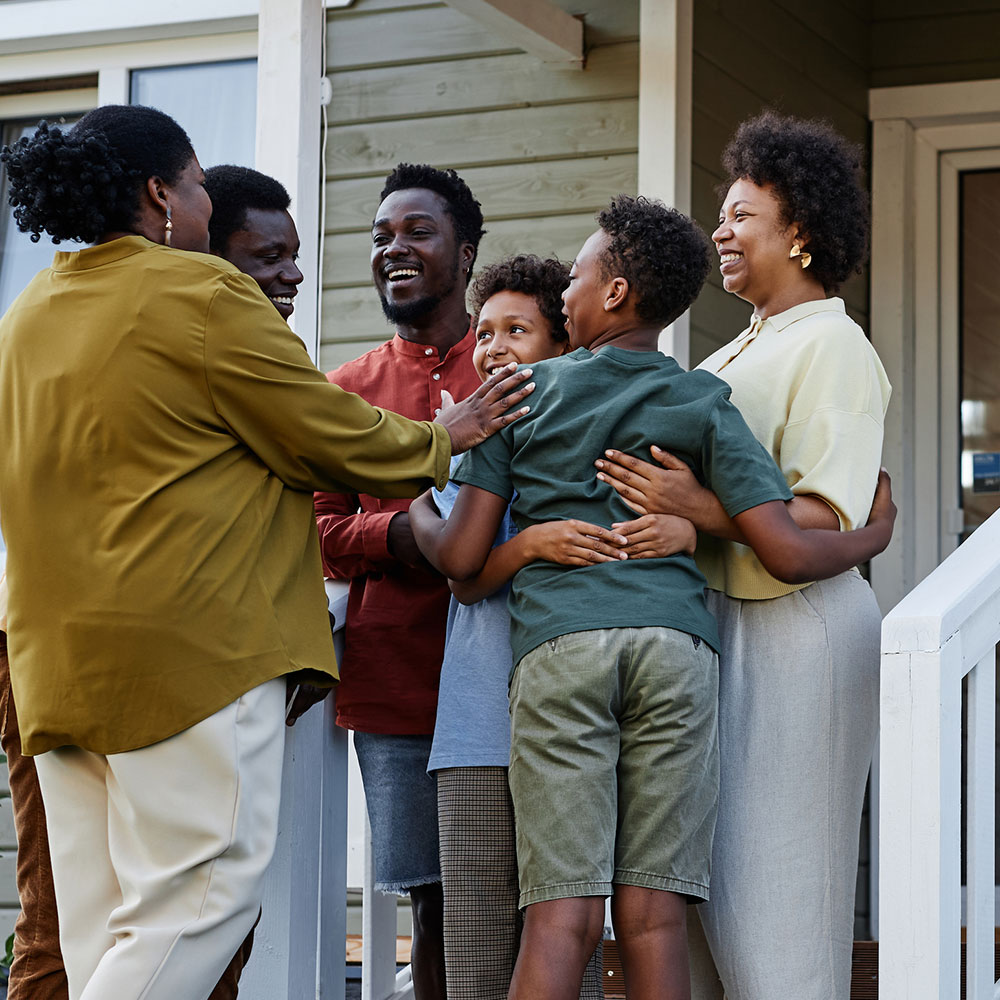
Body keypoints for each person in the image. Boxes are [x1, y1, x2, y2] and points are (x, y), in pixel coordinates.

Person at [0, 107, 531, 1000]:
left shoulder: (28, 313)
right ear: (159, 194)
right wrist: (447, 435)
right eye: (199, 186)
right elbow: (325, 432)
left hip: (51, 667)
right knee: (199, 903)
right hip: (189, 657)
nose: (205, 202)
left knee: (106, 927)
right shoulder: (204, 294)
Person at [410, 195, 895, 1000]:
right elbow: (784, 547)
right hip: (677, 650)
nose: (564, 291)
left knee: (561, 915)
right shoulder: (703, 398)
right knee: (654, 917)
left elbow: (463, 560)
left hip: (563, 649)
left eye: (574, 276)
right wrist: (872, 536)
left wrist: (418, 501)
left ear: (612, 293)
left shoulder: (523, 393)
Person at [594, 112, 891, 1000]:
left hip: (796, 630)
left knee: (778, 903)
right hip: (715, 623)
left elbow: (819, 515)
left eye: (741, 216)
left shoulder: (833, 343)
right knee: (708, 900)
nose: (719, 232)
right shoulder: (733, 349)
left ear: (798, 229)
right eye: (720, 217)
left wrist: (695, 510)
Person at [409, 255, 637, 1000]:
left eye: (517, 330)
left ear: (563, 344)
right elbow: (461, 570)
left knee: (572, 946)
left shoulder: (590, 438)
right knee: (478, 955)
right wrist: (426, 489)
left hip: (575, 725)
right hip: (479, 729)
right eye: (484, 332)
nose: (494, 347)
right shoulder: (471, 446)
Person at [314, 163, 487, 1000]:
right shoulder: (345, 391)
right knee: (433, 899)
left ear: (467, 251)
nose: (394, 248)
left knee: (522, 884)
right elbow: (317, 532)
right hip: (396, 678)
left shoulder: (519, 363)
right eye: (381, 235)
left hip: (515, 667)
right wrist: (401, 536)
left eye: (418, 231)